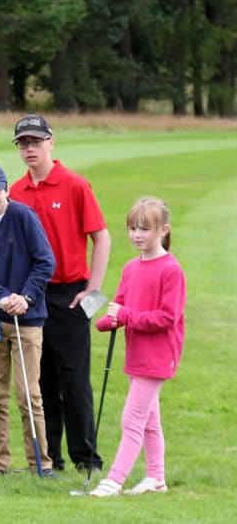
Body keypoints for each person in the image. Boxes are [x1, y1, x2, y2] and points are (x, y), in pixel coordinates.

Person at [7, 114, 111, 473]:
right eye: (23, 143)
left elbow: (101, 237)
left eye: (35, 141)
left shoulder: (74, 184)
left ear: (51, 141)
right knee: (41, 380)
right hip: (32, 294)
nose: (30, 148)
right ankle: (50, 459)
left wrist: (92, 289)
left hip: (69, 294)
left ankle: (87, 458)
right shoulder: (15, 192)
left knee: (75, 379)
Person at [88, 197, 186, 497]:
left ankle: (114, 480)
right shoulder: (131, 267)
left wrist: (125, 316)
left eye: (145, 228)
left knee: (132, 419)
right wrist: (108, 321)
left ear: (164, 230)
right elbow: (121, 306)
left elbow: (167, 318)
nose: (137, 235)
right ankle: (156, 477)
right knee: (149, 421)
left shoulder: (171, 270)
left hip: (158, 356)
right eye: (132, 228)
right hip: (136, 353)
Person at [0, 162, 56, 478]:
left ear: (6, 190)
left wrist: (25, 297)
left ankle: (40, 464)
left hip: (27, 319)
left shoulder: (23, 216)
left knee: (29, 395)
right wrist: (1, 296)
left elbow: (45, 263)